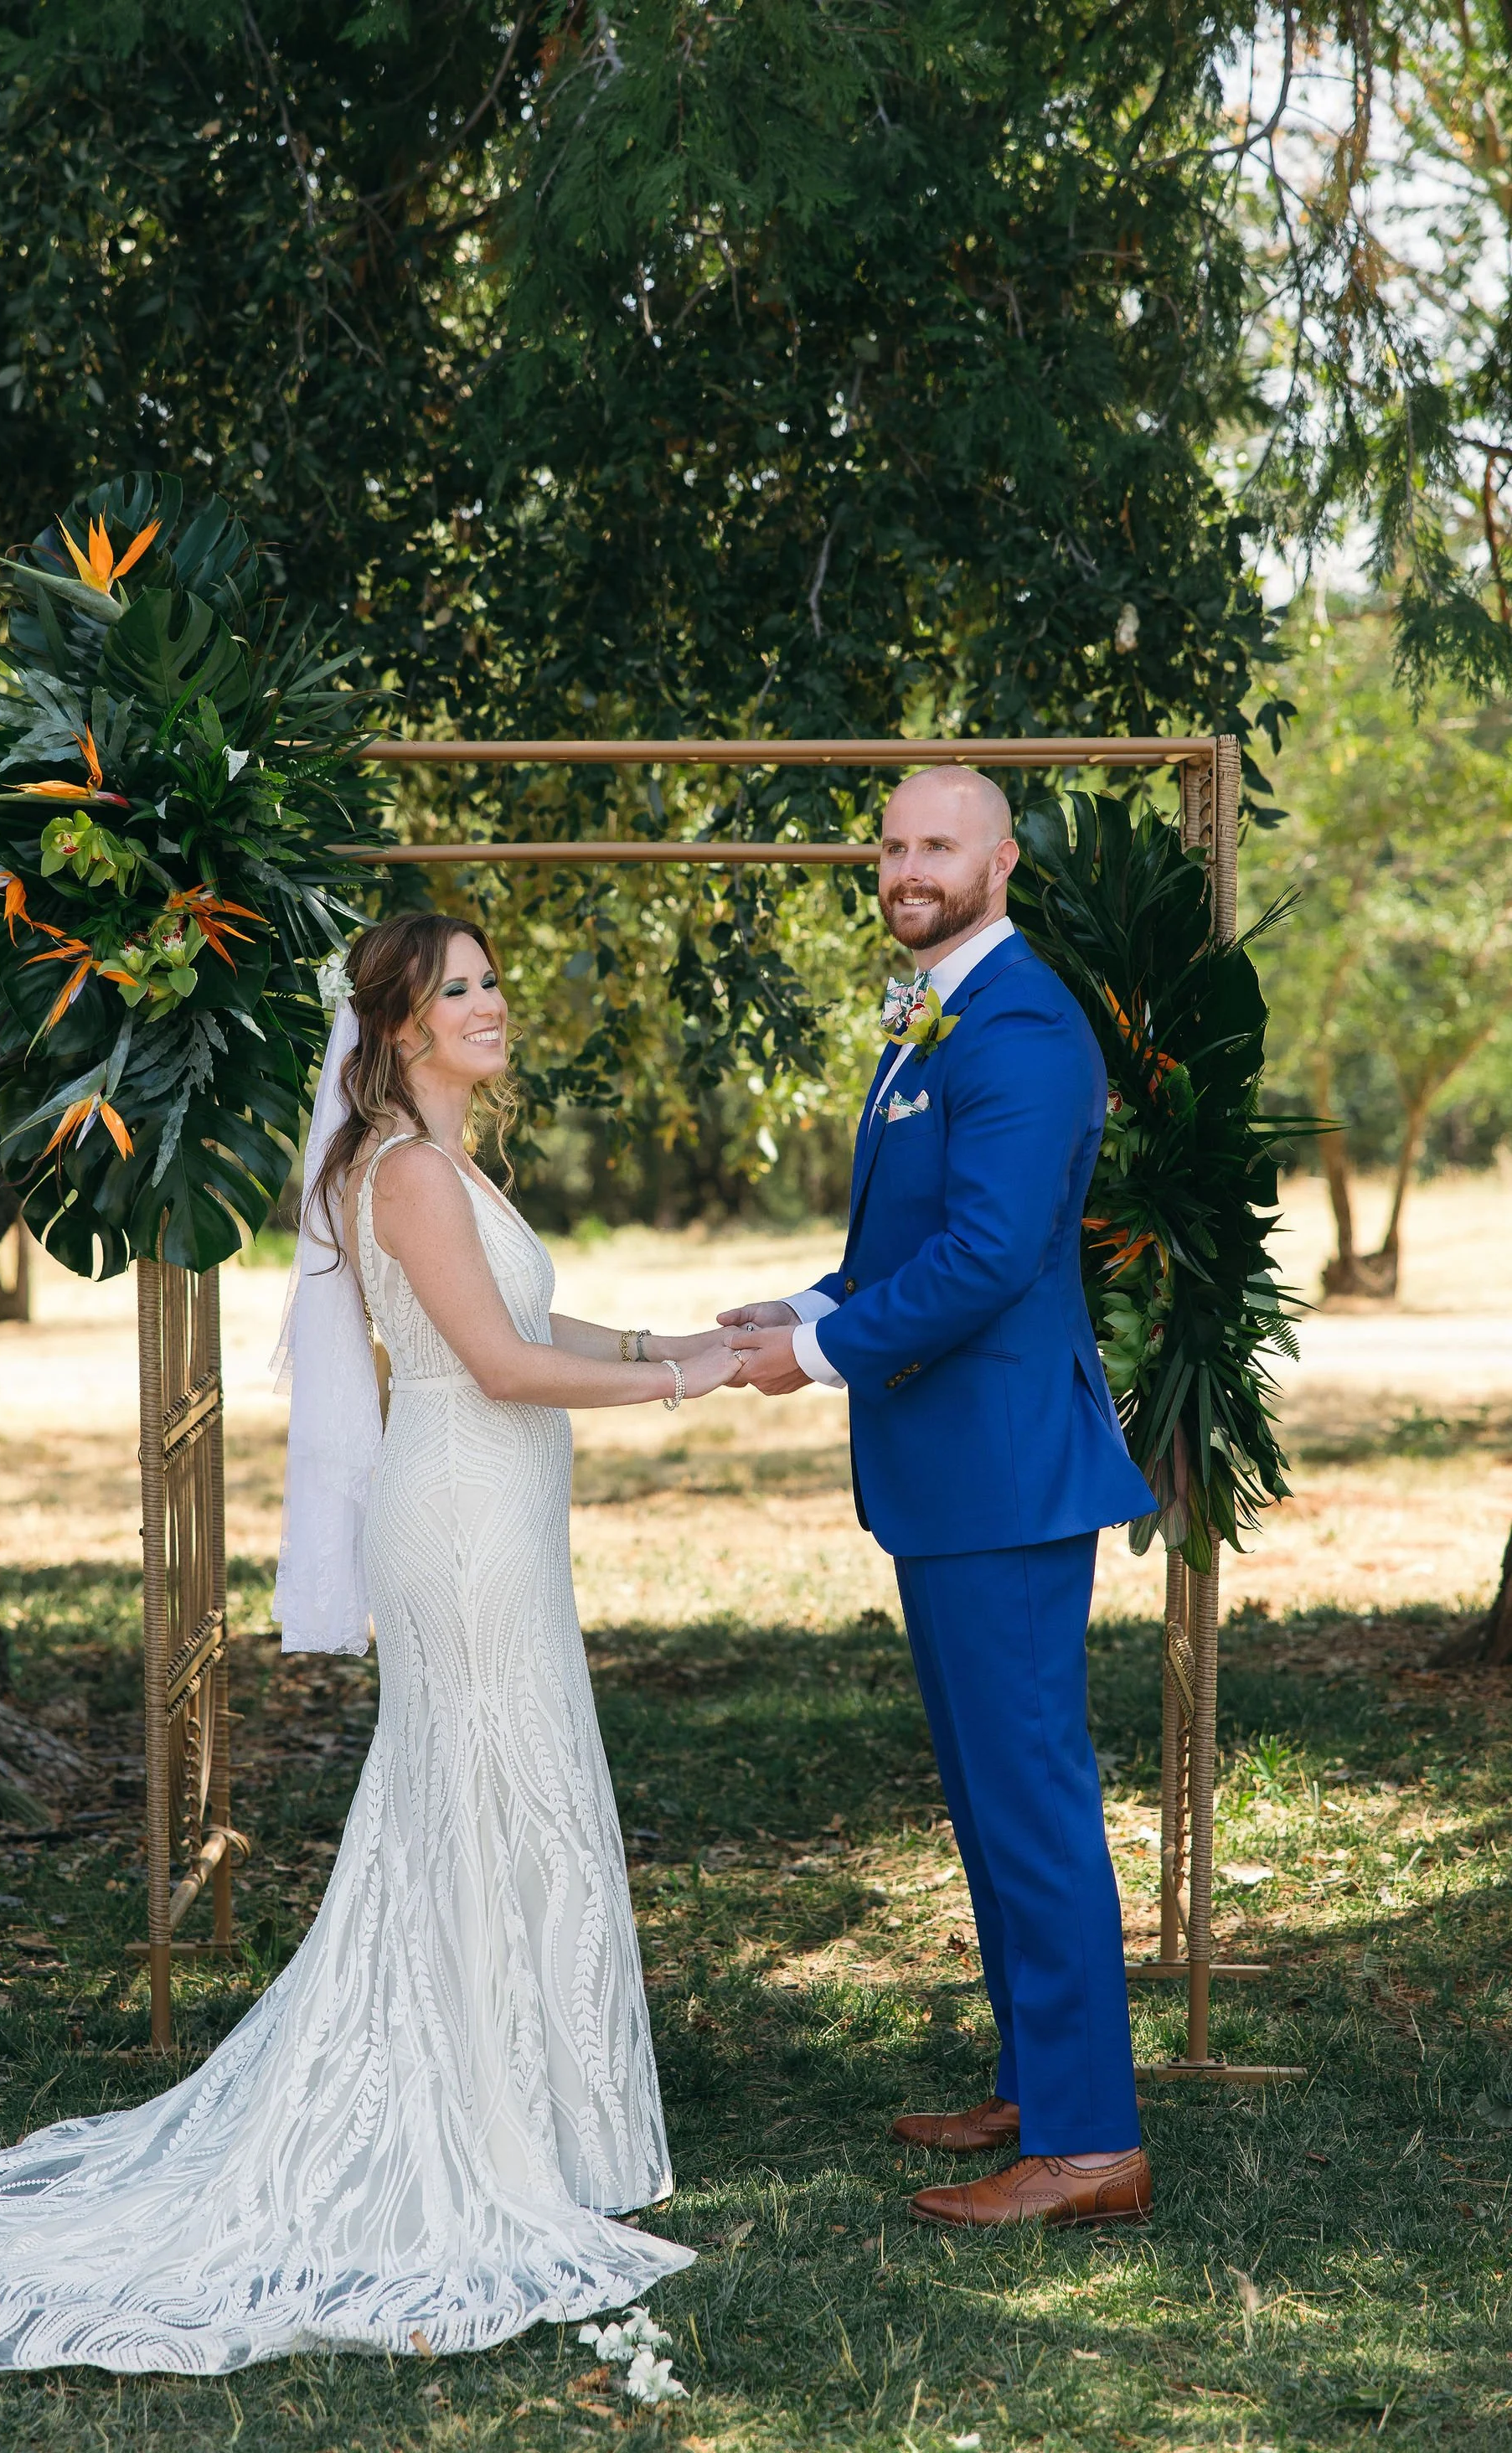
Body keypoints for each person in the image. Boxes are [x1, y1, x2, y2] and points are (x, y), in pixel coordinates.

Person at [0, 911, 741, 2373]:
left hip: (494, 1509)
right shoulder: (411, 1172)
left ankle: (537, 2113)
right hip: (464, 1517)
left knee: (499, 1792)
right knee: (486, 1790)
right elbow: (494, 1366)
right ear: (403, 1025)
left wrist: (683, 1345)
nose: (492, 1006)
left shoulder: (438, 1162)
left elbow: (539, 1321)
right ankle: (482, 2123)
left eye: (494, 980)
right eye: (462, 991)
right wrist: (683, 1386)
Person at [722, 767, 1159, 2230]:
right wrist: (790, 1307)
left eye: (937, 845)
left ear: (1001, 860)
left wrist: (820, 1354)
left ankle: (1092, 2144)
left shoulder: (1024, 1019)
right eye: (893, 843)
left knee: (1032, 1803)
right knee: (989, 1801)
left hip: (1006, 1478)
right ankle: (1038, 2079)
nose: (907, 866)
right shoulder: (937, 1008)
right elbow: (907, 1234)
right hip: (950, 1477)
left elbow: (985, 1258)